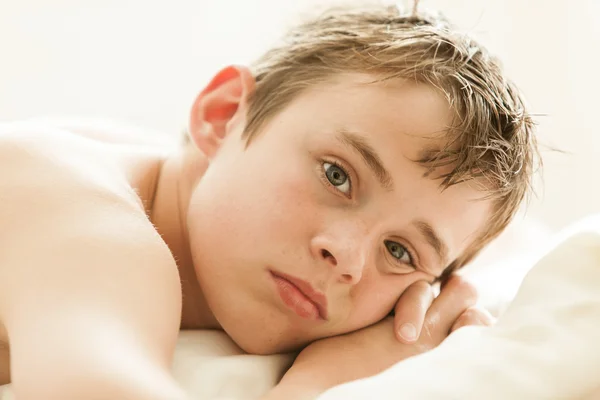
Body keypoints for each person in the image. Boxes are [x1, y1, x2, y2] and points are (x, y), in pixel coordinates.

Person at [0, 2, 538, 399]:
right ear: (223, 114)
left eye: (398, 252)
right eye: (337, 176)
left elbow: (517, 244)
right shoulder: (87, 214)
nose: (347, 259)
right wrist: (320, 387)